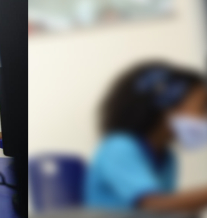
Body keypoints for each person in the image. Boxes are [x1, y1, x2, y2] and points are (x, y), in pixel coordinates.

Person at [85, 62, 207, 212]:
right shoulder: (119, 147)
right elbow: (152, 205)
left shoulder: (167, 158)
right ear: (168, 106)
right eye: (203, 107)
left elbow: (168, 210)